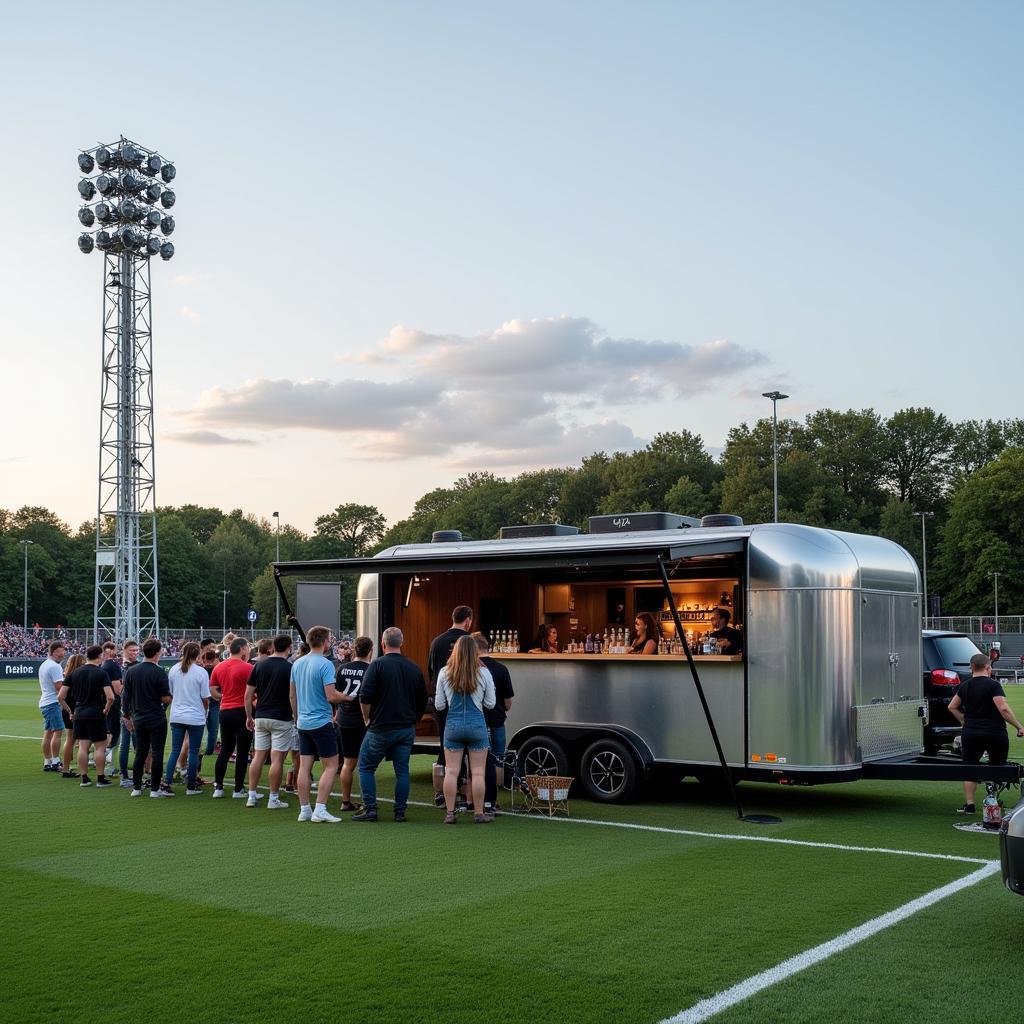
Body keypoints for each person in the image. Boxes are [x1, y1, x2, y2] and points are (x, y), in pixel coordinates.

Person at [354, 627, 427, 823]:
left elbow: (365, 696)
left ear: (383, 643)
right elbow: (423, 700)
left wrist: (366, 718)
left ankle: (370, 809)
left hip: (381, 727)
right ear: (401, 643)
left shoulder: (376, 666)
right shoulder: (413, 667)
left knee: (366, 767)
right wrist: (416, 719)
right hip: (406, 728)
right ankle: (400, 812)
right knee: (402, 771)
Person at [949, 652, 1024, 813]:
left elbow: (952, 707)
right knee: (997, 766)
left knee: (970, 767)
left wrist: (964, 721)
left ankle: (969, 804)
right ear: (988, 667)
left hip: (971, 733)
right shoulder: (993, 685)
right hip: (994, 732)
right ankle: (993, 802)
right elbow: (1003, 708)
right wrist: (1018, 726)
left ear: (971, 668)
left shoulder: (965, 685)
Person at [434, 634, 496, 824]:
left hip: (452, 726)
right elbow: (491, 704)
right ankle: (479, 813)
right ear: (475, 652)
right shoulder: (484, 673)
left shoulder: (445, 672)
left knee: (452, 771)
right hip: (477, 724)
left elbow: (439, 705)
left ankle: (450, 813)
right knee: (478, 772)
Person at [289, 625, 347, 823]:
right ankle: (320, 808)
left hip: (303, 722)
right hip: (321, 721)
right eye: (329, 639)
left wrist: (297, 719)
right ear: (324, 642)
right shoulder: (325, 664)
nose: (330, 643)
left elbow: (292, 695)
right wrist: (347, 697)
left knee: (305, 765)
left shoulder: (297, 663)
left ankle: (305, 808)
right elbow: (331, 695)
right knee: (331, 765)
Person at [427, 605, 473, 804]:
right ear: (468, 621)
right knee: (470, 748)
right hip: (467, 703)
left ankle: (441, 793)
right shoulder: (470, 643)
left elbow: (431, 672)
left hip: (443, 703)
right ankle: (465, 791)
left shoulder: (437, 642)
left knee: (445, 746)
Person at [245, 634, 294, 809]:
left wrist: (249, 716)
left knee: (258, 756)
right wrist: (295, 714)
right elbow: (292, 694)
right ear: (288, 648)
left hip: (262, 715)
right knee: (277, 759)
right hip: (281, 716)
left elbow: (248, 695)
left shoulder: (259, 665)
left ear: (273, 647)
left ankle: (251, 795)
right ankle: (273, 798)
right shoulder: (290, 667)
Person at [59, 645, 115, 788]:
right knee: (99, 747)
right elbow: (111, 697)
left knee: (83, 747)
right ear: (99, 656)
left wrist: (70, 711)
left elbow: (61, 696)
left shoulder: (74, 673)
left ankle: (84, 778)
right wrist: (106, 709)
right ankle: (100, 778)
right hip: (96, 713)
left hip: (79, 713)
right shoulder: (101, 673)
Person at [123, 638, 171, 798]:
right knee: (157, 753)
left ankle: (136, 788)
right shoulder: (159, 672)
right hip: (156, 716)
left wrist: (126, 716)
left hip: (138, 717)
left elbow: (126, 696)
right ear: (157, 653)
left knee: (140, 752)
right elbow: (165, 698)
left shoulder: (132, 671)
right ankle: (155, 789)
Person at [162, 642, 210, 795]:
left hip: (177, 714)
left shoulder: (174, 670)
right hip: (195, 715)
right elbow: (205, 697)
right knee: (193, 752)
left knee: (175, 751)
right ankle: (191, 785)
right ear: (198, 655)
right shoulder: (201, 672)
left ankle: (166, 783)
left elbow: (171, 693)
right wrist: (205, 711)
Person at [211, 636, 255, 799]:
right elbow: (253, 692)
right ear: (242, 648)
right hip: (242, 711)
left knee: (225, 749)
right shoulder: (247, 667)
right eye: (247, 648)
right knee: (242, 752)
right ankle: (238, 789)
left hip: (225, 710)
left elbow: (213, 691)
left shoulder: (219, 667)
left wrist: (224, 696)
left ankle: (219, 787)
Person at [474, 632, 515, 813]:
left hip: (477, 722)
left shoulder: (472, 669)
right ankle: (493, 799)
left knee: (477, 764)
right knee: (497, 760)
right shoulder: (501, 669)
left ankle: (476, 800)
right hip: (497, 721)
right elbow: (508, 701)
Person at [334, 636, 372, 812]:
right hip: (363, 721)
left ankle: (345, 800)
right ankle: (367, 802)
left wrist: (336, 712)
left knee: (348, 763)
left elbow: (335, 693)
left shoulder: (342, 668)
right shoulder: (371, 670)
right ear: (370, 651)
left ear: (354, 650)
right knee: (366, 764)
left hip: (344, 718)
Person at [38, 640, 66, 773]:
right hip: (52, 702)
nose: (63, 654)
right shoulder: (55, 666)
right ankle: (55, 761)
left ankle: (47, 761)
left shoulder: (45, 664)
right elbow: (59, 687)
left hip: (45, 701)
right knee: (58, 732)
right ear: (54, 652)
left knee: (48, 733)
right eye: (61, 651)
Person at [117, 639, 141, 786]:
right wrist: (126, 714)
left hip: (134, 710)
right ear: (124, 650)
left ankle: (134, 774)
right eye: (132, 650)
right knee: (126, 744)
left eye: (136, 650)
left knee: (137, 744)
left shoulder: (133, 666)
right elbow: (124, 693)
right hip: (128, 711)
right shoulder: (124, 668)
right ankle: (125, 775)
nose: (134, 653)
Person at [58, 653, 85, 778]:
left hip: (68, 712)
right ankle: (82, 770)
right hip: (78, 711)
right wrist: (72, 712)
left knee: (70, 740)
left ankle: (66, 769)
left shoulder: (68, 676)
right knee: (83, 741)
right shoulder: (80, 677)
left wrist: (68, 711)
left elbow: (61, 697)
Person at [100, 641, 123, 773]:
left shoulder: (103, 664)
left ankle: (103, 757)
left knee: (108, 729)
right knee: (114, 731)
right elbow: (118, 688)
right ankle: (109, 761)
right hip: (113, 701)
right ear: (110, 650)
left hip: (105, 700)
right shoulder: (112, 665)